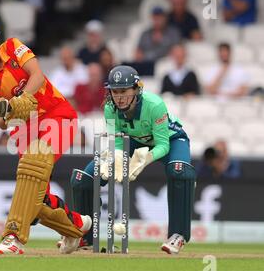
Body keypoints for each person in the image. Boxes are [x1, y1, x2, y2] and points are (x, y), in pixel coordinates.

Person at [0, 21, 91, 255]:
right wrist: (10, 109)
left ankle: (13, 236)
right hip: (23, 129)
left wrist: (22, 98)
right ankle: (77, 227)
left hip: (56, 115)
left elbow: (37, 75)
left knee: (33, 164)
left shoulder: (12, 47)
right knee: (36, 200)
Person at [70, 65, 196, 254]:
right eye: (114, 91)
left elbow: (162, 144)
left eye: (124, 91)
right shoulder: (110, 109)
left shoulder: (154, 104)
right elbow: (118, 144)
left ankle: (178, 235)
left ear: (137, 89)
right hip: (133, 142)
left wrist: (145, 160)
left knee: (179, 170)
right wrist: (117, 159)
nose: (119, 97)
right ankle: (84, 237)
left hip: (170, 139)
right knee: (84, 178)